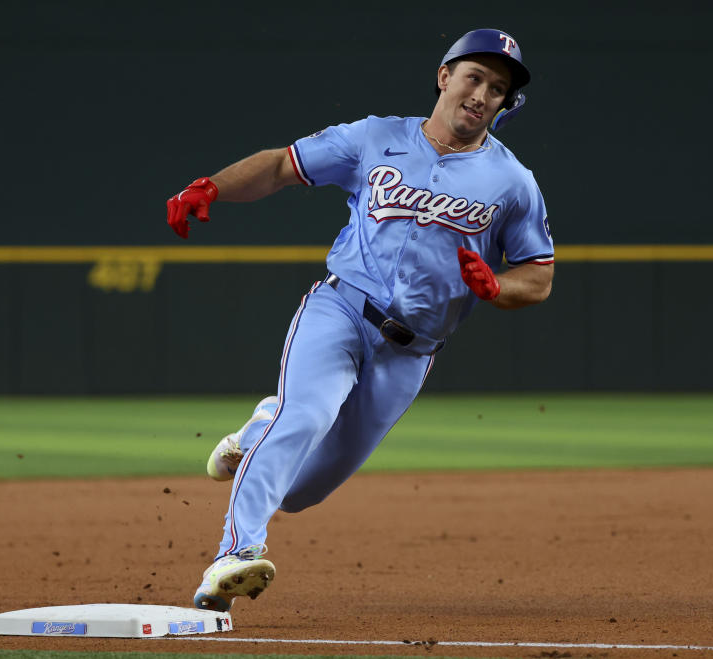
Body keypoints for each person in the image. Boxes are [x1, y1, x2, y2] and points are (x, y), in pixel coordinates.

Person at [165, 28, 554, 613]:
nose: (482, 93)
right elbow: (279, 167)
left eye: (497, 88)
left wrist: (498, 287)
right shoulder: (376, 138)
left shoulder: (513, 183)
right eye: (474, 76)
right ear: (445, 76)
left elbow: (540, 276)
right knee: (307, 414)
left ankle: (254, 433)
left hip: (412, 351)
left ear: (504, 104)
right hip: (342, 309)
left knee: (301, 492)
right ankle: (236, 554)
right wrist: (213, 188)